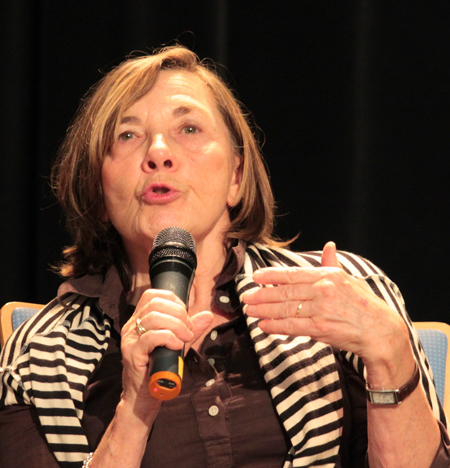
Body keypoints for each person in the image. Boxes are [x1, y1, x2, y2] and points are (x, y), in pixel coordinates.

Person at [0, 45, 448, 468]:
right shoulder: (42, 353)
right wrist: (133, 409)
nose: (158, 153)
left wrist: (390, 353)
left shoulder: (345, 290)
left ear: (236, 175)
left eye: (189, 129)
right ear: (98, 190)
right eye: (128, 135)